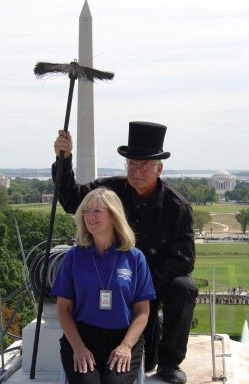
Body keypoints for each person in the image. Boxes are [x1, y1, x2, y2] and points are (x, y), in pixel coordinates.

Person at [53, 121, 198, 384]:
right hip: (111, 278)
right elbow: (72, 201)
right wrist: (63, 160)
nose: (136, 171)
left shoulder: (177, 207)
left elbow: (183, 260)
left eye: (143, 166)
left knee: (184, 287)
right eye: (131, 164)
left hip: (153, 278)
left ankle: (169, 363)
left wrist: (141, 281)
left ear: (159, 169)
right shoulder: (110, 191)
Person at [51, 187, 155, 384]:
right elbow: (63, 309)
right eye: (86, 211)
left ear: (114, 216)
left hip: (122, 338)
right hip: (82, 338)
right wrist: (79, 348)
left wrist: (126, 346)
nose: (90, 217)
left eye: (97, 211)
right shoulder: (74, 257)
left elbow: (142, 312)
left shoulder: (134, 257)